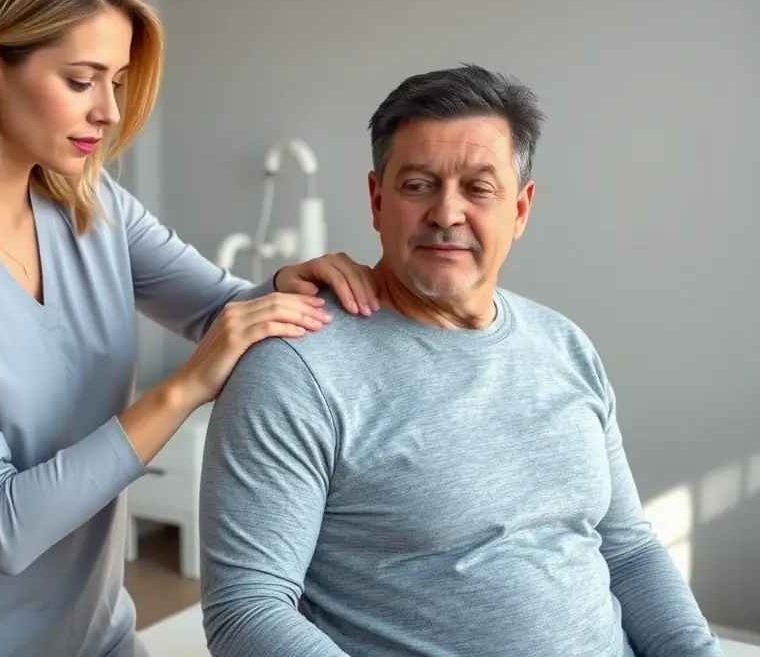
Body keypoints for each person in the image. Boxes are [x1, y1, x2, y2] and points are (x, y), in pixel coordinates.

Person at [0, 0, 380, 657]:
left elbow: (224, 313)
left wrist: (290, 286)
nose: (110, 112)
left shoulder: (94, 208)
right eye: (82, 80)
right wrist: (183, 389)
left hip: (93, 628)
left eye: (116, 81)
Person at [198, 65, 725, 656]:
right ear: (377, 200)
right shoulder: (297, 367)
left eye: (478, 188)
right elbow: (247, 610)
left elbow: (628, 552)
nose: (447, 214)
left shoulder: (564, 344)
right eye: (418, 185)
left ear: (520, 209)